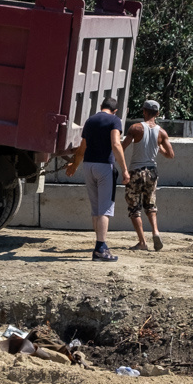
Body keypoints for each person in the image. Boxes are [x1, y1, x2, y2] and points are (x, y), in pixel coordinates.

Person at [65, 93, 130, 261]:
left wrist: (74, 166)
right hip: (104, 167)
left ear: (102, 106)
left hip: (88, 166)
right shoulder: (114, 120)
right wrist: (124, 169)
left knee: (96, 209)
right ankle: (100, 248)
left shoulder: (90, 121)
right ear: (115, 110)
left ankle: (100, 245)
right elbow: (116, 144)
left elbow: (82, 147)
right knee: (105, 209)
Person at [123, 99, 175, 250]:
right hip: (152, 171)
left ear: (144, 111)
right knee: (150, 205)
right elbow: (170, 155)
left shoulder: (135, 128)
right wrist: (158, 148)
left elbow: (122, 147)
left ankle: (142, 242)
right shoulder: (162, 132)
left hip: (136, 172)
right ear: (157, 113)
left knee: (134, 208)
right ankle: (155, 231)